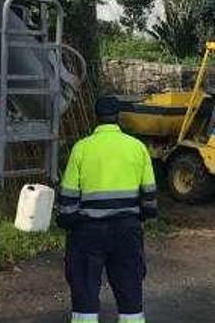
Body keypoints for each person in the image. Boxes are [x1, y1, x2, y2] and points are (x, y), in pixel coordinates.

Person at [57, 96, 158, 323]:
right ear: (118, 117)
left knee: (84, 292)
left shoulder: (81, 149)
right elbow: (150, 197)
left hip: (87, 232)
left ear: (96, 117)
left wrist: (67, 220)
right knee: (130, 292)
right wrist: (141, 217)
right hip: (127, 230)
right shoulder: (136, 147)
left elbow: (68, 197)